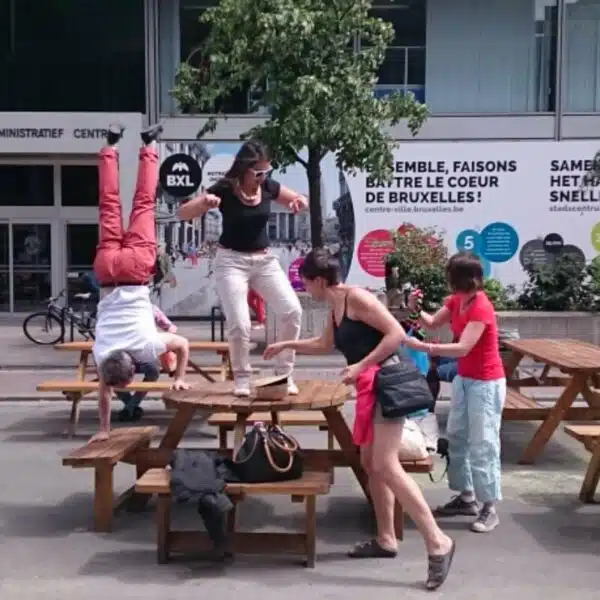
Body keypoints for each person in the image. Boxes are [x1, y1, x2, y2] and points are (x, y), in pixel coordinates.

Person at [263, 249, 455, 591]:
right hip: (369, 386)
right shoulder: (335, 306)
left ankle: (438, 541)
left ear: (319, 280)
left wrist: (361, 365)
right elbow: (324, 344)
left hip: (387, 382)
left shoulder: (357, 298)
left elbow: (395, 333)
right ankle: (386, 538)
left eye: (306, 283)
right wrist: (285, 344)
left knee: (385, 464)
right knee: (369, 462)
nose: (305, 289)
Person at [178, 139, 305, 397]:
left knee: (292, 311)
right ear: (245, 169)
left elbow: (298, 198)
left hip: (264, 261)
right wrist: (203, 203)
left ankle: (284, 373)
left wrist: (298, 202)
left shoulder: (268, 186)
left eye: (267, 172)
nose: (262, 177)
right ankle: (242, 378)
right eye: (258, 173)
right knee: (240, 324)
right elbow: (183, 213)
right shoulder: (226, 187)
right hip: (231, 262)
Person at [91, 124, 190, 443]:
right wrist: (103, 429)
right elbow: (104, 392)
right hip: (108, 271)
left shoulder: (148, 345)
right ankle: (110, 146)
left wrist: (179, 377)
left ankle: (149, 145)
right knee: (108, 203)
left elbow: (183, 344)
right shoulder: (102, 354)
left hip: (135, 273)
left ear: (132, 366)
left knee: (143, 203)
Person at [407, 252, 506, 533]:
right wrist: (414, 308)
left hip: (486, 382)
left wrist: (425, 348)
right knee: (457, 437)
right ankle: (466, 497)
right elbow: (430, 323)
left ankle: (489, 507)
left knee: (484, 442)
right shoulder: (456, 301)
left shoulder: (481, 307)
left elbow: (463, 348)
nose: (448, 280)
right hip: (465, 378)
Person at [115, 304, 178, 422]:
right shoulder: (118, 309)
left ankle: (130, 407)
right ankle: (131, 406)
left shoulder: (150, 308)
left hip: (142, 354)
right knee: (111, 372)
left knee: (153, 370)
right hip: (124, 354)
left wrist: (164, 336)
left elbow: (170, 327)